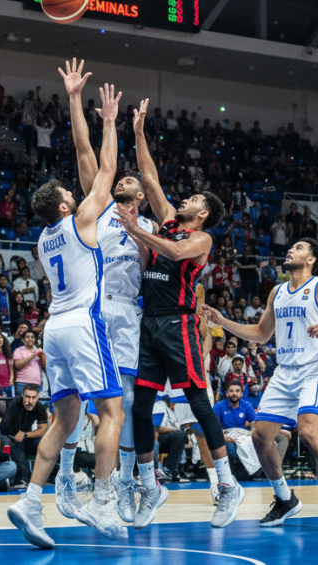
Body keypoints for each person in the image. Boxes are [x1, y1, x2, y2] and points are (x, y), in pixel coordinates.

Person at [8, 81, 127, 549]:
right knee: (112, 411)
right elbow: (105, 165)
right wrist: (111, 121)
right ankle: (100, 500)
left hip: (53, 329)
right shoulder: (81, 222)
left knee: (64, 419)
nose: (76, 194)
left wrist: (75, 100)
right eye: (67, 194)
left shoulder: (43, 240)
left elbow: (82, 152)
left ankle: (31, 499)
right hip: (82, 323)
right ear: (64, 205)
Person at [114, 96, 241, 531]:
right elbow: (148, 176)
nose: (181, 200)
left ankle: (227, 486)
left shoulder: (201, 241)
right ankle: (149, 486)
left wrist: (134, 229)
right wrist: (137, 133)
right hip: (150, 322)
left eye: (191, 199)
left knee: (198, 403)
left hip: (180, 322)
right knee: (142, 407)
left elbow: (171, 250)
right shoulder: (166, 218)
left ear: (202, 214)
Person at [204, 238, 318, 534]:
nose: (291, 250)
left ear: (311, 259)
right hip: (284, 371)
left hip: (315, 368)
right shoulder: (277, 292)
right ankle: (285, 498)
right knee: (260, 436)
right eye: (291, 247)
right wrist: (223, 321)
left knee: (307, 432)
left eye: (299, 248)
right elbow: (262, 334)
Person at [61, 58, 159, 523]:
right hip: (92, 309)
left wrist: (138, 232)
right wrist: (80, 103)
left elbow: (152, 269)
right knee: (78, 398)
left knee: (123, 402)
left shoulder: (151, 226)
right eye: (119, 179)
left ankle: (123, 485)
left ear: (139, 194)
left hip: (128, 314)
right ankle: (65, 478)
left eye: (128, 181)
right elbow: (87, 154)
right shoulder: (97, 211)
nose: (120, 180)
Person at [0, 383, 49, 487]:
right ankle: (21, 479)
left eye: (33, 398)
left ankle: (50, 476)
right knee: (15, 444)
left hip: (25, 437)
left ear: (38, 397)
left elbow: (42, 430)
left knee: (45, 442)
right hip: (8, 437)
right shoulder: (15, 404)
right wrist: (17, 436)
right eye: (27, 397)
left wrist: (25, 435)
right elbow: (4, 427)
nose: (30, 401)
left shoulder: (40, 407)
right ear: (22, 396)